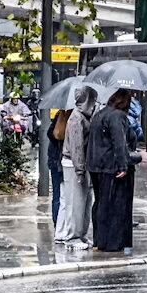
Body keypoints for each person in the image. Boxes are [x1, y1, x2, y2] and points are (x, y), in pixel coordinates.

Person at [86, 89, 137, 253]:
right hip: (110, 167)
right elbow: (119, 142)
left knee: (100, 203)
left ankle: (99, 240)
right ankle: (111, 242)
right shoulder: (116, 116)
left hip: (95, 166)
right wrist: (123, 166)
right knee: (113, 205)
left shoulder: (99, 114)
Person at [55, 86, 97, 249]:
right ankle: (73, 237)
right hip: (74, 165)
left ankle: (81, 234)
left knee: (85, 202)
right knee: (76, 202)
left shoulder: (84, 116)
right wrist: (80, 170)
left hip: (81, 165)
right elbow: (77, 146)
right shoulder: (76, 118)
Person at [47, 109, 71, 223]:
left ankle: (58, 225)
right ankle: (62, 225)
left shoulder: (59, 116)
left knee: (57, 195)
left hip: (55, 161)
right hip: (62, 161)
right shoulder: (73, 118)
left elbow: (50, 134)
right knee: (64, 196)